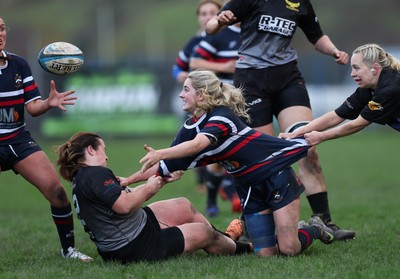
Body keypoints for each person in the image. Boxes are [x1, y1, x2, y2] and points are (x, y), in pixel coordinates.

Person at [122, 70, 334, 257]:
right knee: (266, 254)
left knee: (289, 249)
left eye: (186, 89)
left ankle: (314, 228)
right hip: (248, 186)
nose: (180, 94)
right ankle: (294, 231)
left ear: (201, 94)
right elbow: (163, 167)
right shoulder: (188, 129)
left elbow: (198, 145)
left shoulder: (222, 116)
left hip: (275, 174)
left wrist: (161, 152)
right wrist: (128, 180)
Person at [205, 0, 355, 241]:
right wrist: (219, 21)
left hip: (287, 77)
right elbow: (212, 26)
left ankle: (324, 220)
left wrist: (334, 51)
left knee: (307, 145)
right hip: (251, 81)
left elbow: (316, 37)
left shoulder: (300, 3)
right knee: (260, 156)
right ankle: (252, 222)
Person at [55, 131, 252, 263]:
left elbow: (124, 196)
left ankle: (226, 240)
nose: (106, 157)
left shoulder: (83, 177)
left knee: (183, 205)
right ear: (90, 149)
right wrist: (150, 189)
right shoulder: (95, 174)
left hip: (130, 234)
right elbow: (124, 206)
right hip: (133, 246)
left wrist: (162, 180)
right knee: (204, 233)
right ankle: (246, 249)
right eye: (103, 150)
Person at [0, 16, 92, 261]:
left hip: (18, 140)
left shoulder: (19, 65)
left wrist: (49, 103)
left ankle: (69, 250)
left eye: (1, 29)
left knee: (58, 193)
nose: (0, 34)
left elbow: (32, 107)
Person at [279, 43, 400, 144]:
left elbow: (358, 124)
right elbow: (336, 115)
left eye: (356, 68)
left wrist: (322, 136)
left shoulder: (389, 89)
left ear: (375, 68)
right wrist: (295, 133)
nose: (352, 74)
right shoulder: (369, 88)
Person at [189, 10, 241, 217]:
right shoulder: (218, 35)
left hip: (248, 100)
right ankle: (214, 198)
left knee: (240, 151)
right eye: (204, 13)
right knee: (219, 154)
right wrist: (225, 67)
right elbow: (193, 63)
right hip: (220, 101)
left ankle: (240, 197)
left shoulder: (258, 34)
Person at [172, 0, 223, 194]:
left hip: (224, 98)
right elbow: (178, 67)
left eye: (212, 12)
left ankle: (225, 186)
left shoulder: (232, 37)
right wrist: (180, 76)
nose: (207, 16)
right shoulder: (194, 43)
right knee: (196, 140)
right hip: (200, 101)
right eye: (203, 13)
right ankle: (203, 183)